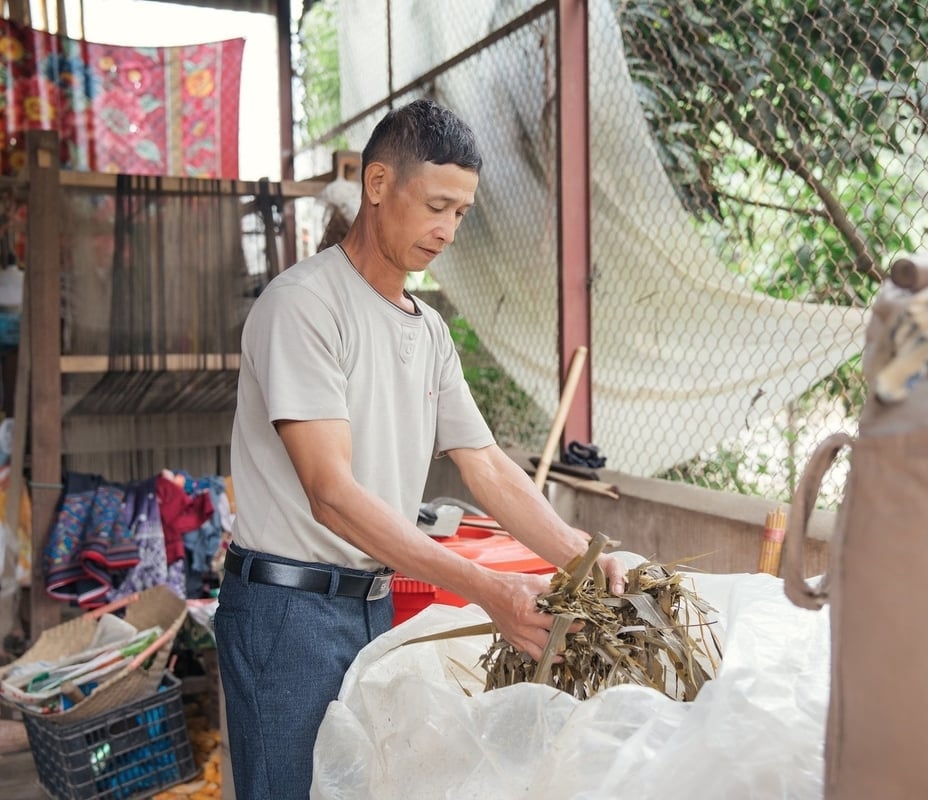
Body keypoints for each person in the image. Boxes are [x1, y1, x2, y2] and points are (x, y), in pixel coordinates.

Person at [215, 98, 626, 800]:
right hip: (288, 614)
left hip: (371, 603)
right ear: (378, 185)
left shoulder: (428, 331)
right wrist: (491, 589)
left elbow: (486, 464)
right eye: (437, 205)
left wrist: (583, 557)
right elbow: (331, 494)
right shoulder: (305, 306)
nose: (448, 231)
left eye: (461, 213)